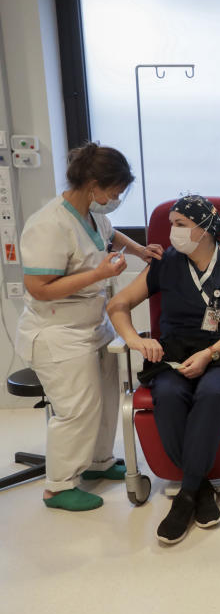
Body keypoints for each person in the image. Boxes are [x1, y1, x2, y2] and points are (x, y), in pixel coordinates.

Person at [107, 195, 220, 544]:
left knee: (211, 392)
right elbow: (118, 305)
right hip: (174, 352)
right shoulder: (166, 264)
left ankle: (184, 499)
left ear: (205, 229)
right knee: (167, 393)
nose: (171, 232)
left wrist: (209, 353)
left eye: (180, 224)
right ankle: (201, 489)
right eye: (171, 223)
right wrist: (135, 339)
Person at [15, 142, 162, 512]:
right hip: (58, 332)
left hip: (93, 323)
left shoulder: (92, 215)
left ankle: (98, 461)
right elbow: (38, 288)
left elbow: (110, 237)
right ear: (93, 184)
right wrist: (97, 274)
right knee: (77, 408)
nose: (116, 198)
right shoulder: (49, 224)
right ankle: (59, 486)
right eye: (114, 191)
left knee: (107, 398)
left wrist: (141, 251)